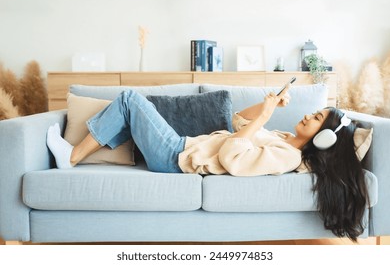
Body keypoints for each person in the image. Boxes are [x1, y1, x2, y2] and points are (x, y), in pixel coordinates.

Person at [46, 86, 368, 241]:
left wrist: (266, 116)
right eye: (314, 112)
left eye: (315, 119)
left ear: (323, 138)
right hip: (183, 147)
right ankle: (76, 155)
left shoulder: (289, 155)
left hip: (177, 156)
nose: (307, 115)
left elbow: (232, 157)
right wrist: (265, 107)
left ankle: (72, 156)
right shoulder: (283, 138)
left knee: (130, 100)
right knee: (131, 112)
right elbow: (239, 121)